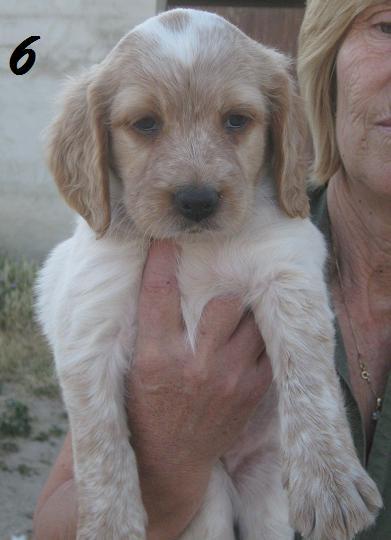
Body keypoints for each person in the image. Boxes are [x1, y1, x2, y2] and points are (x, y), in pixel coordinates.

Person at [33, 0, 390, 538]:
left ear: (280, 131)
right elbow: (52, 516)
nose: (197, 181)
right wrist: (159, 474)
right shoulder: (124, 248)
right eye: (146, 124)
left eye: (235, 121)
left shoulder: (274, 227)